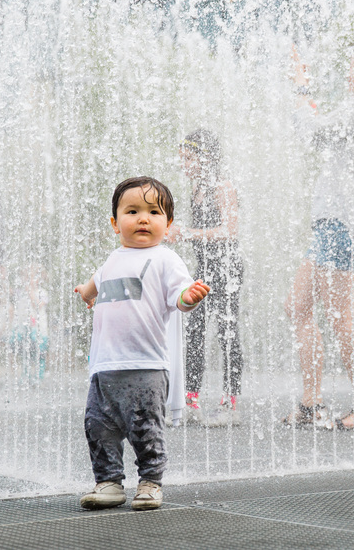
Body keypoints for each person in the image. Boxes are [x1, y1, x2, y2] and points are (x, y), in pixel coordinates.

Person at [73, 176, 210, 511]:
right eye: (132, 211)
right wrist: (85, 292)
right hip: (104, 366)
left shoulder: (166, 259)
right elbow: (93, 286)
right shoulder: (111, 260)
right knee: (98, 426)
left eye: (154, 212)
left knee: (145, 428)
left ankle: (150, 482)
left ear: (169, 223)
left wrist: (189, 297)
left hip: (146, 364)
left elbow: (179, 296)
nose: (143, 219)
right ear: (115, 222)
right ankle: (108, 482)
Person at [281, 42, 354, 430]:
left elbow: (313, 135)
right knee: (297, 306)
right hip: (336, 221)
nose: (348, 73)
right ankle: (312, 403)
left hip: (341, 222)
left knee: (340, 316)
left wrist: (300, 89)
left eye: (352, 66)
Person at [166, 129, 245, 426]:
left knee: (227, 332)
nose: (183, 163)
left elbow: (229, 230)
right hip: (206, 269)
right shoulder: (197, 189)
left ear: (206, 158)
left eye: (189, 158)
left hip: (228, 268)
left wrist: (188, 233)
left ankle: (230, 404)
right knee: (195, 331)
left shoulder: (222, 187)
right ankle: (191, 400)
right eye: (182, 157)